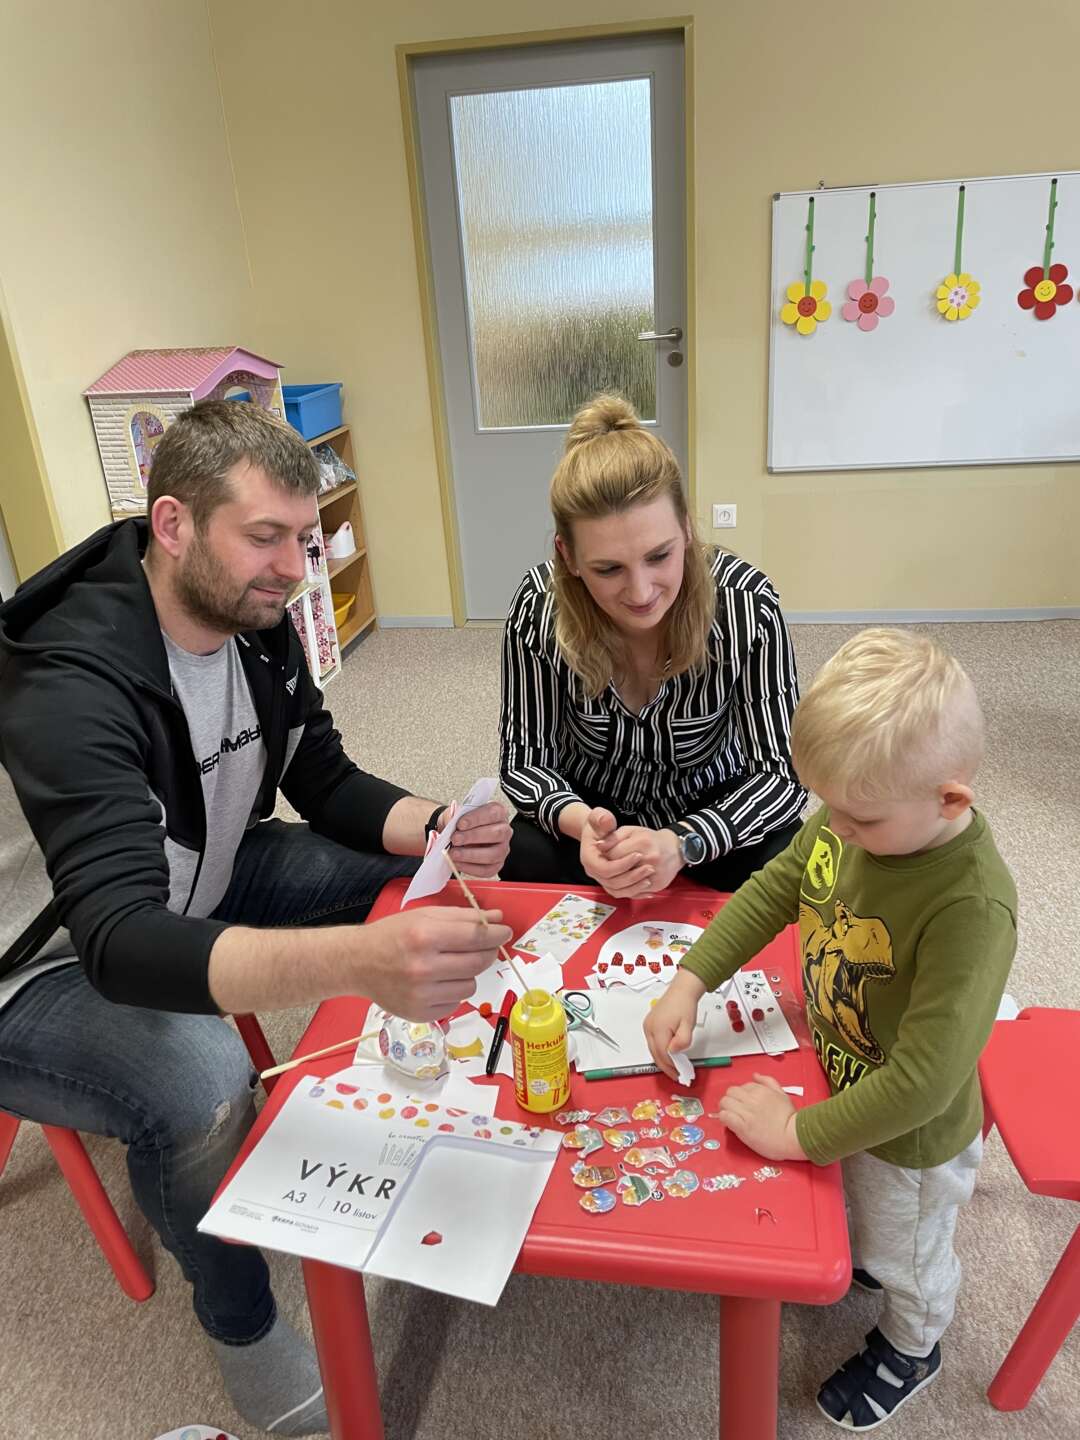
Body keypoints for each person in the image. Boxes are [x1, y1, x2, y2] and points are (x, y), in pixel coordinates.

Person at [0, 400, 512, 1436]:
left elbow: (320, 776)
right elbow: (120, 940)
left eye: (305, 538)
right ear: (174, 524)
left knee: (408, 868)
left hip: (207, 868)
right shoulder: (70, 681)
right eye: (266, 537)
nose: (293, 568)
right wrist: (359, 961)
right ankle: (240, 1325)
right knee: (202, 1082)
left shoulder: (253, 620)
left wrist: (435, 827)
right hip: (50, 961)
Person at [644, 628, 1017, 1431]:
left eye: (860, 819)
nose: (835, 830)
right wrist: (690, 979)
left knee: (905, 1254)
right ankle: (872, 1261)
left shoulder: (972, 908)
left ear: (950, 801)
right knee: (855, 1220)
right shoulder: (851, 818)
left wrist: (795, 1134)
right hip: (842, 1074)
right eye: (830, 808)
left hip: (909, 1139)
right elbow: (774, 889)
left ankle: (913, 1346)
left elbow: (922, 1083)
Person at [499, 393, 806, 897]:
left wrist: (684, 842)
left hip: (709, 811)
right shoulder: (538, 607)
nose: (641, 593)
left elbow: (782, 775)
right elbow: (525, 760)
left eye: (659, 556)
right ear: (568, 556)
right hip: (595, 814)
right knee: (522, 852)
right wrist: (584, 826)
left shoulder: (746, 605)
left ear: (686, 530)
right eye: (608, 569)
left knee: (786, 857)